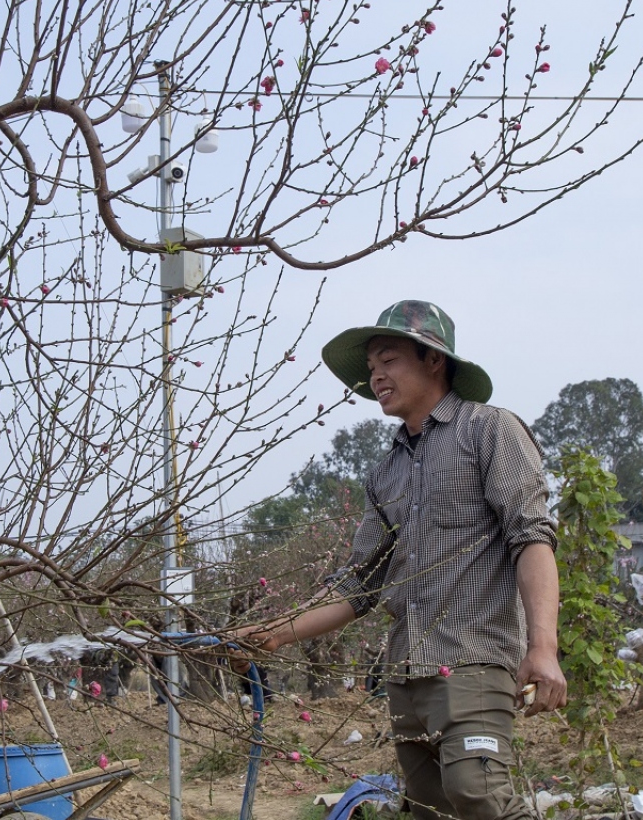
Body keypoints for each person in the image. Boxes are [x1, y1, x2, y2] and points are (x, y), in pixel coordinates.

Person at [237, 300, 567, 820]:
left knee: (477, 792)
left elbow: (532, 539)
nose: (376, 377)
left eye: (387, 360)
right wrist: (275, 632)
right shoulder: (386, 473)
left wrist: (544, 648)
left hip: (474, 660)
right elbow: (358, 585)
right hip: (406, 678)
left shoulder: (488, 432)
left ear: (433, 359)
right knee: (429, 811)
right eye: (371, 368)